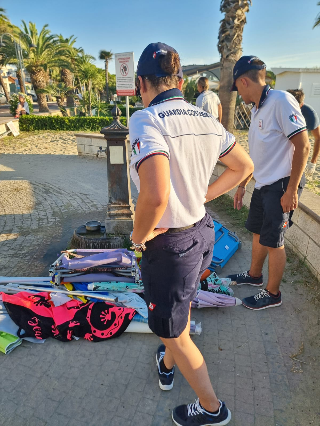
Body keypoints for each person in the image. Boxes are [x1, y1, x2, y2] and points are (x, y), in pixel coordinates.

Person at [129, 42, 253, 426]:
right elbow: (243, 165)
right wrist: (205, 194)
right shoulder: (204, 118)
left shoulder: (147, 118)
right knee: (174, 318)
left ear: (139, 83)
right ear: (180, 80)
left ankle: (213, 408)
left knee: (177, 333)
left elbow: (154, 195)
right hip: (202, 232)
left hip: (170, 244)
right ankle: (168, 362)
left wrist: (137, 239)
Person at [227, 56, 310, 310]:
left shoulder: (281, 101)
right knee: (257, 231)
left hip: (282, 184)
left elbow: (303, 146)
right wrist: (243, 184)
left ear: (244, 81)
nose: (238, 93)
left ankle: (273, 293)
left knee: (274, 240)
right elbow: (260, 154)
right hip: (263, 183)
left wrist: (292, 189)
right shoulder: (257, 108)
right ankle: (254, 275)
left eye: (237, 88)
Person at [287, 89, 320, 178]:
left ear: (301, 105)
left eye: (294, 107)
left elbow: (318, 137)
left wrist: (313, 161)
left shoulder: (309, 114)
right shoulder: (279, 108)